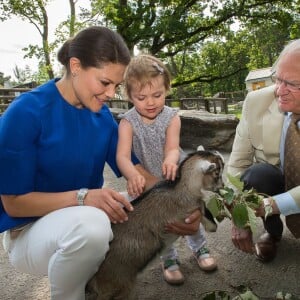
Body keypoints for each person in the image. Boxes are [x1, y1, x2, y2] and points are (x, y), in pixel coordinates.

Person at [0, 27, 201, 300]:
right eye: (105, 82)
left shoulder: (102, 116)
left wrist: (182, 205)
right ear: (76, 67)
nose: (111, 93)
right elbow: (13, 202)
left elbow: (137, 171)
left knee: (152, 200)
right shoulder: (25, 112)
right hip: (27, 232)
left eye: (116, 86)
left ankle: (109, 281)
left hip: (83, 216)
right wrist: (83, 198)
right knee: (92, 226)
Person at [116, 54, 217, 286]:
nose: (150, 102)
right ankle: (169, 259)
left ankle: (199, 248)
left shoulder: (172, 117)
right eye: (141, 97)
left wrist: (171, 161)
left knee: (188, 212)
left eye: (157, 95)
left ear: (167, 90)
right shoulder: (127, 122)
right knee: (160, 222)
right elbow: (122, 156)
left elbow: (172, 147)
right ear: (129, 96)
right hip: (145, 180)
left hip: (173, 175)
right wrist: (132, 174)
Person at [227, 39, 300, 263]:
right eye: (278, 79)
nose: (279, 91)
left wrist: (270, 205)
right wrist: (240, 217)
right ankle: (273, 232)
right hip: (280, 179)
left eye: (292, 84)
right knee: (258, 174)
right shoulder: (256, 102)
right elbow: (237, 167)